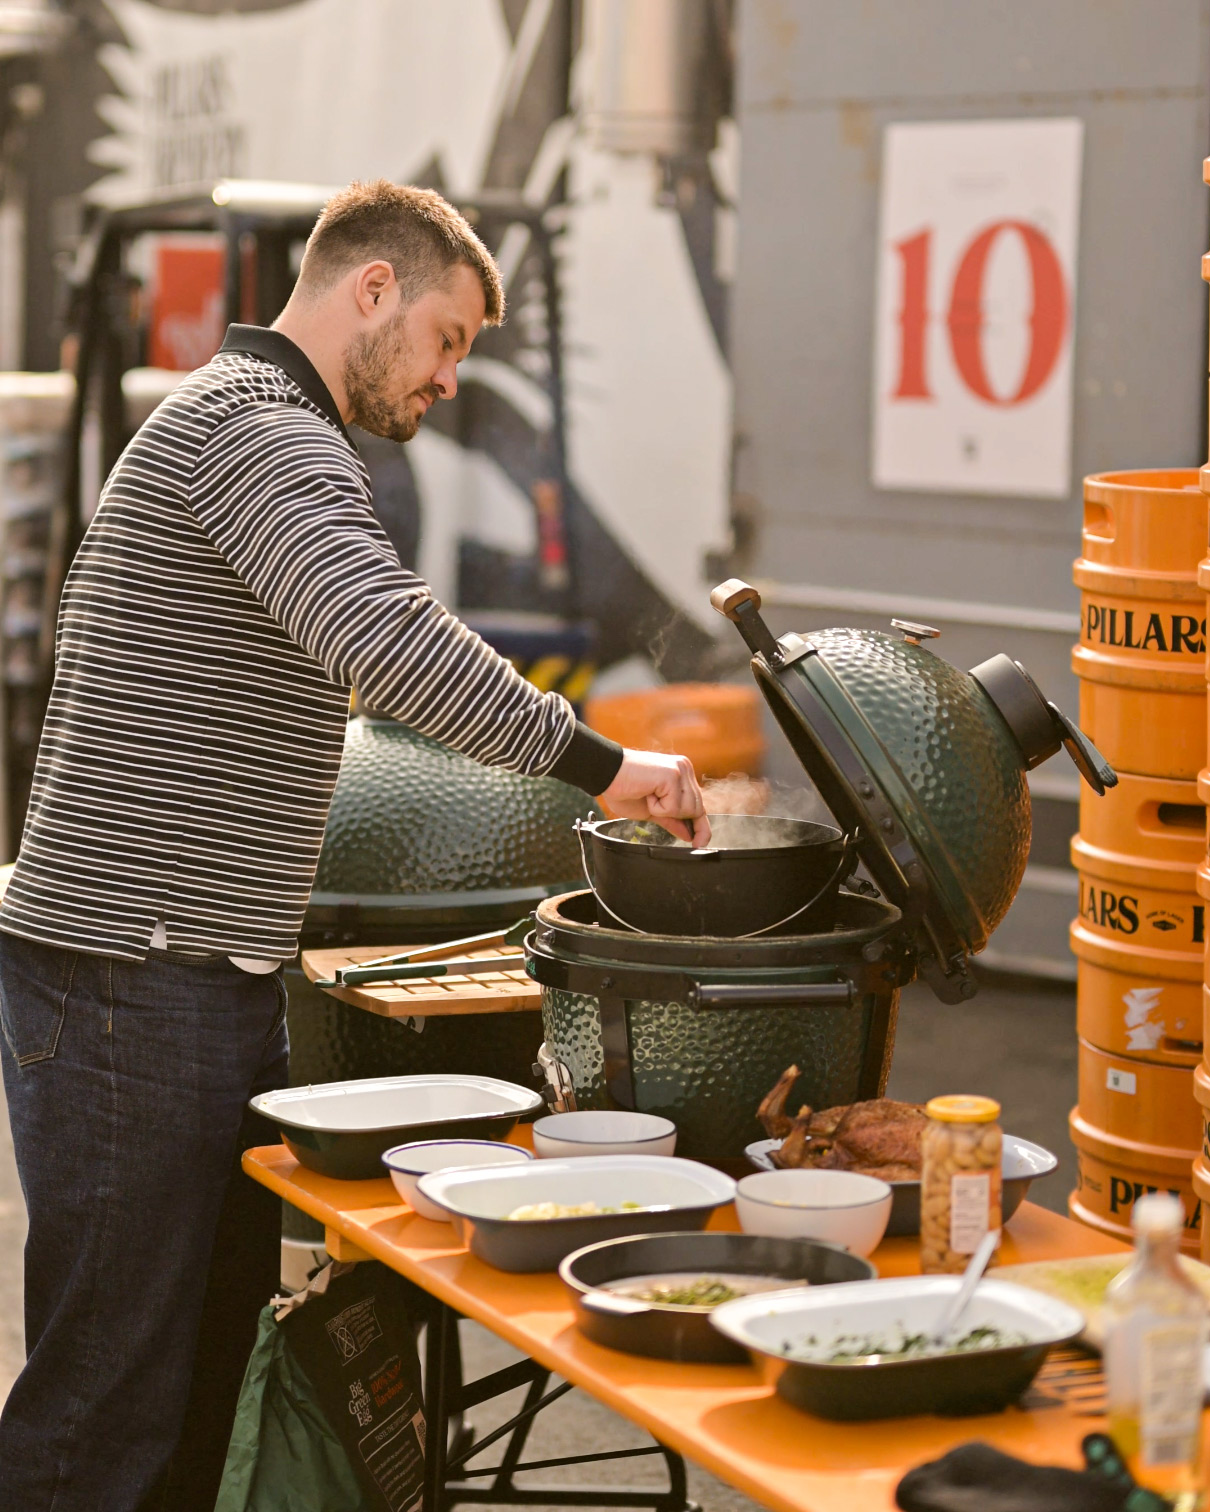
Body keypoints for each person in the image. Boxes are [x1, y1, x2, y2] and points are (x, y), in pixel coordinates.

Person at [0, 179, 708, 1512]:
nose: (448, 379)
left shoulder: (238, 427)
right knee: (104, 1406)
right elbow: (385, 644)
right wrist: (611, 767)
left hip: (178, 975)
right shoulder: (260, 432)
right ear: (369, 289)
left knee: (195, 1377)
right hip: (130, 983)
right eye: (445, 339)